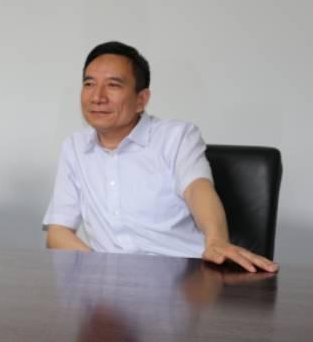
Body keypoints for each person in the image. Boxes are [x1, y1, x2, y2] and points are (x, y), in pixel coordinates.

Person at [43, 41, 278, 273]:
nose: (97, 97)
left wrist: (216, 240)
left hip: (184, 278)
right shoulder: (75, 147)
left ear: (141, 100)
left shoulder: (177, 137)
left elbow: (197, 189)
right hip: (110, 286)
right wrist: (101, 274)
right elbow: (58, 232)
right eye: (89, 84)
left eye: (113, 85)